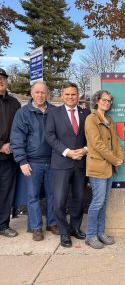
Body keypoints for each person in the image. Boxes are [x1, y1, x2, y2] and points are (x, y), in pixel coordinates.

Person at [10, 81, 59, 241]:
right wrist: (22, 161)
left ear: (47, 94)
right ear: (31, 94)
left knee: (53, 194)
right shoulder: (23, 113)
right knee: (33, 196)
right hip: (32, 162)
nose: (40, 95)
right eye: (37, 92)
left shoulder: (54, 111)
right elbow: (17, 139)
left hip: (52, 161)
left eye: (43, 92)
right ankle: (36, 227)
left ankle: (52, 223)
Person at [46, 82, 90, 248]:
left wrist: (85, 150)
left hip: (80, 163)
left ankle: (75, 228)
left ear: (78, 95)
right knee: (59, 201)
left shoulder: (86, 112)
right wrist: (67, 152)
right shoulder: (53, 113)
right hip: (61, 163)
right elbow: (50, 137)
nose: (71, 97)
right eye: (67, 94)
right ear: (62, 95)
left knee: (79, 199)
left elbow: (91, 136)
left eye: (73, 94)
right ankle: (64, 232)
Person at [84, 90, 124, 249]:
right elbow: (97, 144)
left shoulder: (109, 119)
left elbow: (115, 141)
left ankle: (101, 233)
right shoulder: (91, 119)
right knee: (97, 202)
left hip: (109, 167)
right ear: (97, 101)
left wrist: (120, 156)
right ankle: (90, 235)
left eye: (109, 101)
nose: (107, 103)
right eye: (104, 100)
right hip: (97, 166)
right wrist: (114, 159)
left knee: (104, 202)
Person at [0, 68, 21, 238]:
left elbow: (20, 129)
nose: (0, 81)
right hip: (1, 149)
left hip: (9, 157)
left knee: (6, 192)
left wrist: (12, 145)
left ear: (7, 81)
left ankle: (3, 225)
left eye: (2, 78)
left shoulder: (15, 103)